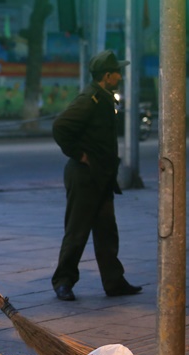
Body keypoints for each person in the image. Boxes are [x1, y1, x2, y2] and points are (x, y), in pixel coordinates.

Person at [50, 50, 142, 301]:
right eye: (117, 73)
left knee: (106, 232)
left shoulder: (104, 98)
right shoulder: (88, 99)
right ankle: (63, 282)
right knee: (77, 232)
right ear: (107, 76)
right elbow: (60, 126)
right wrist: (78, 154)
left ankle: (114, 281)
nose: (121, 77)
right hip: (84, 176)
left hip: (101, 177)